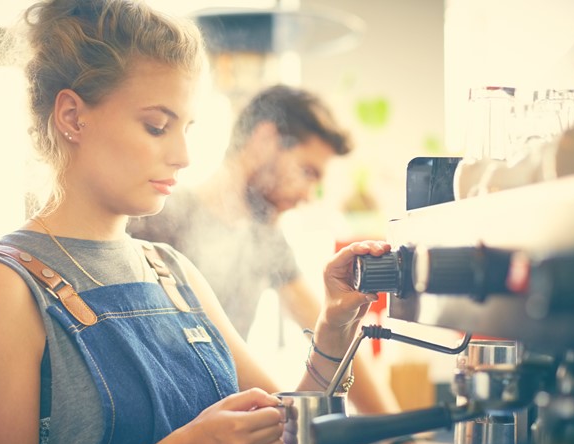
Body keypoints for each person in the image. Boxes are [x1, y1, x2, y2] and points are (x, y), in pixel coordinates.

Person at [0, 1, 391, 444]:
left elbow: (283, 435)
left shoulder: (173, 272)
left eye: (187, 127)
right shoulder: (5, 285)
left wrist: (337, 325)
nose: (183, 154)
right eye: (158, 126)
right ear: (72, 117)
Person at [127, 85, 396, 416]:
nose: (310, 195)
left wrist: (399, 436)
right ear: (265, 141)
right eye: (307, 172)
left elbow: (333, 331)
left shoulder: (266, 240)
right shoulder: (160, 221)